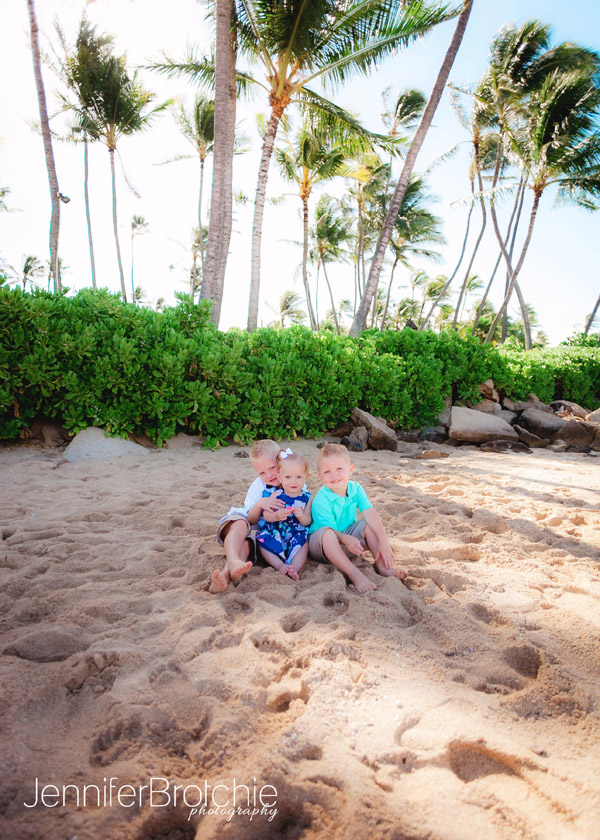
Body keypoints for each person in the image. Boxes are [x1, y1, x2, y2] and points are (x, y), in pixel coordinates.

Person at [308, 442, 407, 593]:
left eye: (339, 469)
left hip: (349, 540)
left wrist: (384, 542)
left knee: (369, 524)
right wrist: (345, 539)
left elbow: (370, 513)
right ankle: (354, 574)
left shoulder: (356, 488)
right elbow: (331, 532)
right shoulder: (321, 500)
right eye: (327, 472)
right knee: (327, 533)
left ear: (350, 469)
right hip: (322, 546)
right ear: (320, 476)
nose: (334, 475)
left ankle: (383, 567)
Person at [208, 439, 286, 593]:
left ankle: (228, 575)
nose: (269, 475)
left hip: (265, 530)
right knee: (241, 524)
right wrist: (259, 505)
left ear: (280, 460)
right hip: (248, 521)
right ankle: (232, 561)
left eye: (272, 467)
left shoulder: (292, 480)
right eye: (262, 472)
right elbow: (251, 519)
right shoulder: (258, 486)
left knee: (248, 543)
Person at [256, 449, 312, 581]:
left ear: (306, 477)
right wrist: (276, 516)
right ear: (280, 478)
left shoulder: (308, 498)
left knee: (304, 545)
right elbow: (266, 515)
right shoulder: (276, 494)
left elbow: (308, 520)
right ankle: (279, 565)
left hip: (296, 532)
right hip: (277, 530)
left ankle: (294, 568)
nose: (293, 481)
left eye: (299, 477)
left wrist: (301, 517)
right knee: (263, 540)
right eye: (288, 477)